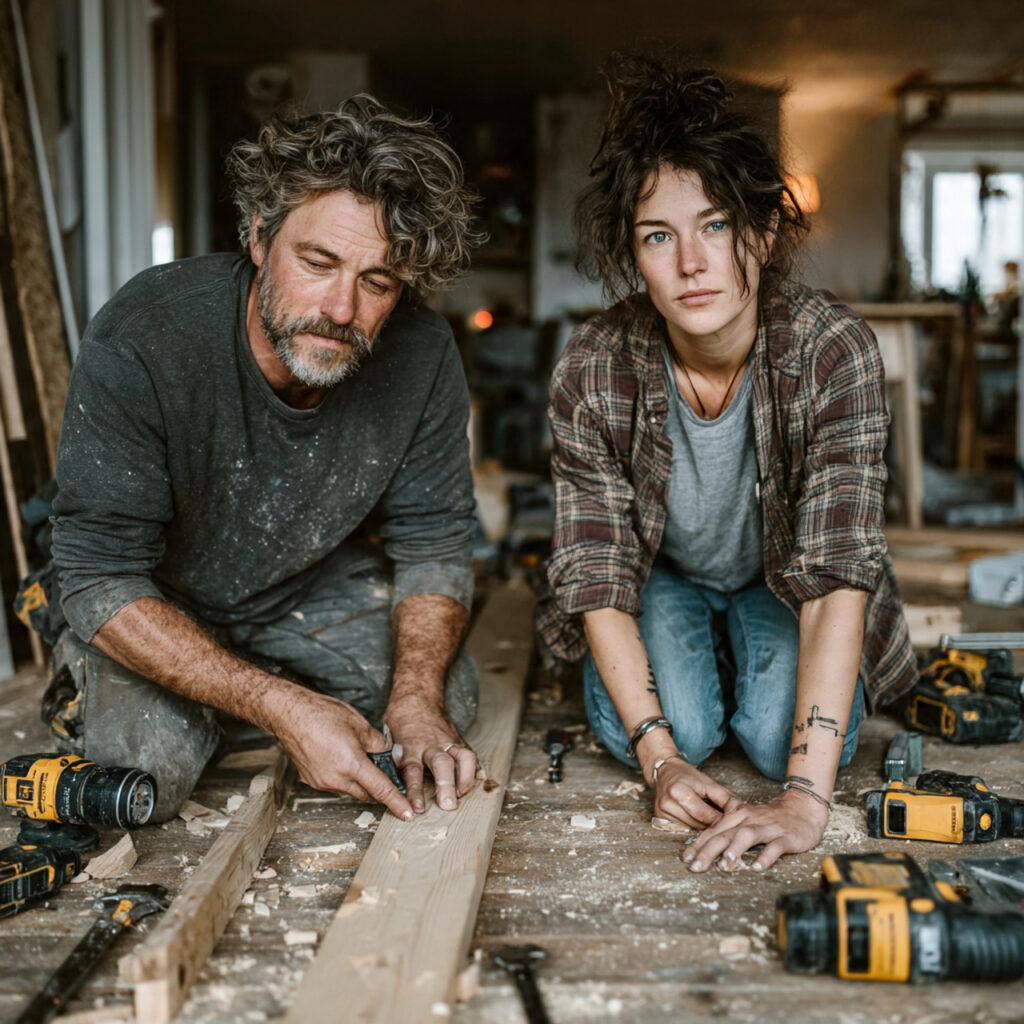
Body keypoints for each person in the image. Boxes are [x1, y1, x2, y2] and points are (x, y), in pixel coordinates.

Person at [43, 96, 485, 823]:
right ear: (256, 237)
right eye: (318, 262)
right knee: (142, 774)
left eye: (377, 282)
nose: (342, 309)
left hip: (297, 590)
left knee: (441, 703)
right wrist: (276, 703)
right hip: (158, 591)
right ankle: (213, 686)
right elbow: (96, 572)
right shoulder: (144, 334)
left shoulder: (423, 353)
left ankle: (256, 693)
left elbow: (435, 540)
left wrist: (413, 701)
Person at [535, 55, 917, 872]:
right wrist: (660, 759)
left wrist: (808, 802)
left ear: (763, 229)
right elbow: (599, 576)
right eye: (658, 237)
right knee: (690, 732)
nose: (691, 264)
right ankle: (695, 665)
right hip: (661, 573)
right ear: (633, 256)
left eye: (715, 225)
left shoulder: (833, 351)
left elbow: (839, 576)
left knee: (788, 735)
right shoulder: (595, 363)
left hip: (788, 578)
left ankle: (740, 642)